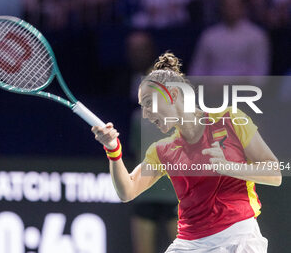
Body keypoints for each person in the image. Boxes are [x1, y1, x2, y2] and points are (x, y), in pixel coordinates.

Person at [92, 52, 282, 253]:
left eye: (149, 103)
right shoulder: (162, 150)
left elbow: (274, 173)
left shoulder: (230, 119)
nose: (146, 114)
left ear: (173, 95)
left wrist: (230, 167)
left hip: (239, 238)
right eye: (143, 106)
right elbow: (127, 191)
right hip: (189, 245)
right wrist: (113, 149)